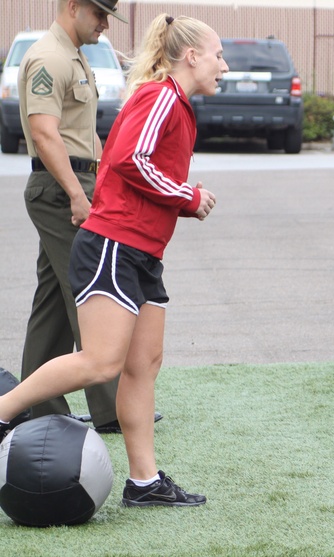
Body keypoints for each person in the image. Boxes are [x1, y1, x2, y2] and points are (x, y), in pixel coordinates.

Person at [0, 13, 227, 508]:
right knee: (100, 362)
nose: (224, 66)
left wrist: (182, 195)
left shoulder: (178, 104)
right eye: (218, 54)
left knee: (143, 365)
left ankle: (143, 483)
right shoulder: (161, 95)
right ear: (191, 56)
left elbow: (141, 167)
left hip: (143, 252)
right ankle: (2, 411)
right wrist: (187, 196)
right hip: (113, 247)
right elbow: (130, 160)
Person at [16, 0, 128, 432]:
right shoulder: (48, 57)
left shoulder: (74, 55)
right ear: (73, 7)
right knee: (88, 289)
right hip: (63, 189)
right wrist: (76, 196)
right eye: (99, 13)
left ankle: (35, 405)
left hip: (79, 186)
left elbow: (78, 133)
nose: (104, 23)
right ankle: (113, 409)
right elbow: (45, 132)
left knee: (54, 300)